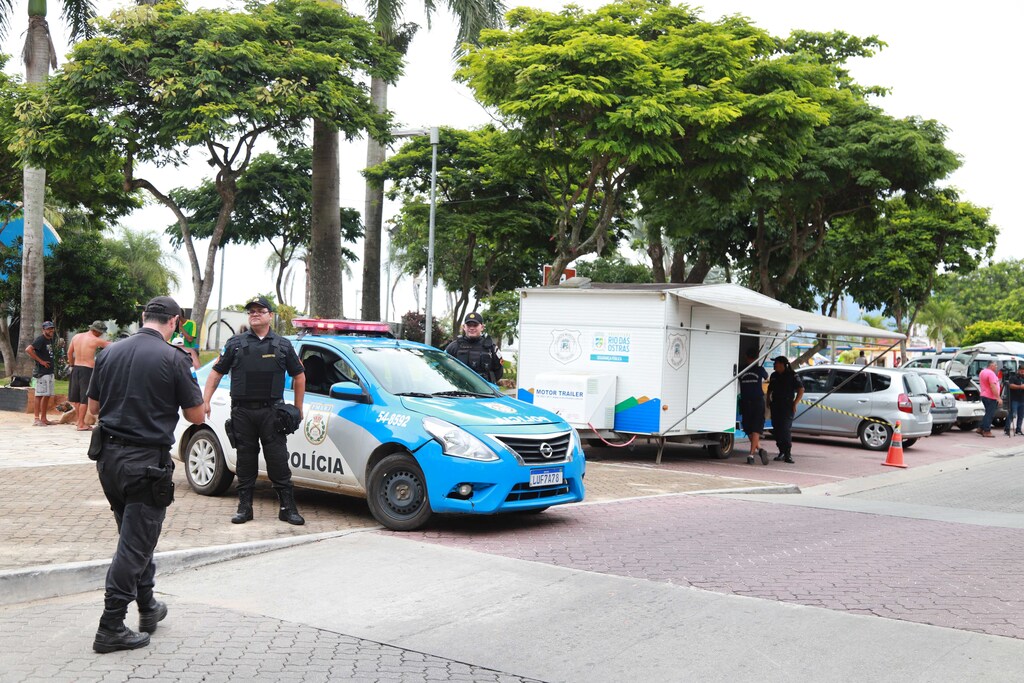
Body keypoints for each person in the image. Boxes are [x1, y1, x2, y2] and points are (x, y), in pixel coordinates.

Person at [87, 296, 205, 653]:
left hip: (108, 460)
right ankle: (110, 626)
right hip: (145, 463)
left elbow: (92, 408)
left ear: (143, 317)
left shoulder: (108, 353)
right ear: (175, 322)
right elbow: (197, 417)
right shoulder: (175, 358)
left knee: (135, 536)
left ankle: (148, 606)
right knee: (135, 544)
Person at [203, 296, 306, 525]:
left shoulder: (283, 345)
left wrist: (298, 408)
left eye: (260, 310)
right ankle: (244, 508)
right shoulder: (235, 344)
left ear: (270, 315)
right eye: (251, 311)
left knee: (278, 461)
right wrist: (206, 400)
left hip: (272, 412)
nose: (255, 314)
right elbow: (216, 373)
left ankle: (287, 508)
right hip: (242, 412)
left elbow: (299, 375)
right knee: (245, 461)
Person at [67, 320, 112, 431]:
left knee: (76, 398)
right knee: (84, 398)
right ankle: (81, 424)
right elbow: (113, 346)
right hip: (87, 370)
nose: (101, 334)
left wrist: (72, 364)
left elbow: (69, 352)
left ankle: (79, 421)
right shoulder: (95, 340)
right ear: (96, 331)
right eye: (101, 332)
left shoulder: (76, 337)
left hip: (76, 368)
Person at [445, 312, 503, 383]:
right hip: (460, 390)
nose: (472, 328)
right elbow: (443, 365)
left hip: (484, 391)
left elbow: (499, 371)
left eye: (475, 325)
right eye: (469, 325)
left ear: (482, 327)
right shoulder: (454, 346)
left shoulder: (491, 347)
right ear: (464, 327)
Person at [766, 356, 804, 464]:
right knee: (776, 429)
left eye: (776, 363)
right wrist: (768, 400)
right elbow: (769, 390)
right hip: (776, 405)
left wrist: (795, 403)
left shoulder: (792, 375)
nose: (774, 365)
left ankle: (788, 454)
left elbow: (801, 389)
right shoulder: (774, 375)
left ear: (782, 364)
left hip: (787, 405)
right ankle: (781, 451)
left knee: (785, 429)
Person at [738, 348, 769, 466]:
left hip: (752, 402)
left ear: (746, 356)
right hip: (752, 402)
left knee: (753, 428)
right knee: (749, 429)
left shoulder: (745, 369)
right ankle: (759, 449)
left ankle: (751, 454)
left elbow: (765, 377)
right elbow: (767, 378)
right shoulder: (756, 369)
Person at [24, 320, 57, 426]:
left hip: (49, 371)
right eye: (48, 329)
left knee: (47, 395)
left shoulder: (50, 340)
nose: (51, 330)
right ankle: (36, 418)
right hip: (42, 372)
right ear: (43, 330)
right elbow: (28, 349)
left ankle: (44, 418)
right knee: (39, 395)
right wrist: (41, 361)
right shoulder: (40, 339)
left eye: (52, 328)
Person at [977, 360, 1001, 438]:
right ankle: (986, 431)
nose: (996, 367)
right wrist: (998, 397)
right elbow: (993, 386)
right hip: (991, 396)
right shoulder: (991, 374)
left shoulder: (982, 372)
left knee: (987, 413)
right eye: (995, 365)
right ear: (991, 366)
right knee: (990, 414)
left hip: (984, 394)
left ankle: (981, 428)